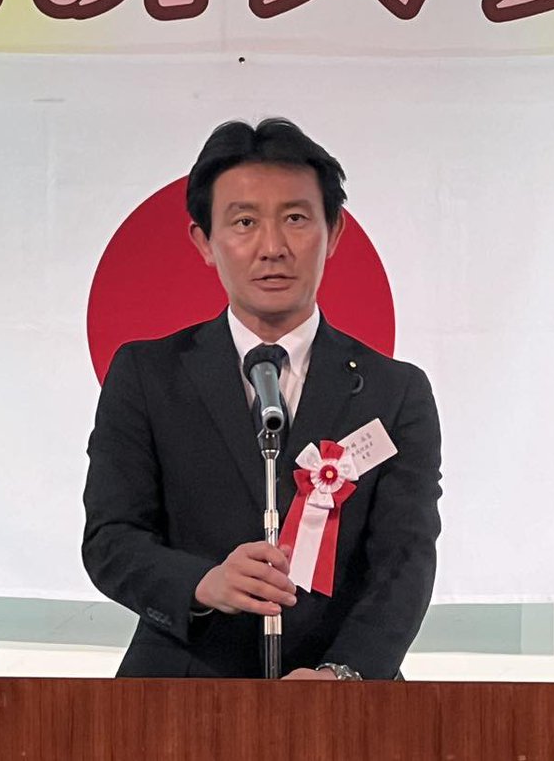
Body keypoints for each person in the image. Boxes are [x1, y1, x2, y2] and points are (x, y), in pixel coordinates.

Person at [82, 118, 442, 680]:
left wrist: (343, 674)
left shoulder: (395, 392)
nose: (272, 248)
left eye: (295, 219)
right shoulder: (147, 375)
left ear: (334, 233)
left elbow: (405, 559)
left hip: (338, 693)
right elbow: (111, 538)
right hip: (177, 688)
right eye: (245, 222)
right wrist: (203, 583)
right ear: (205, 242)